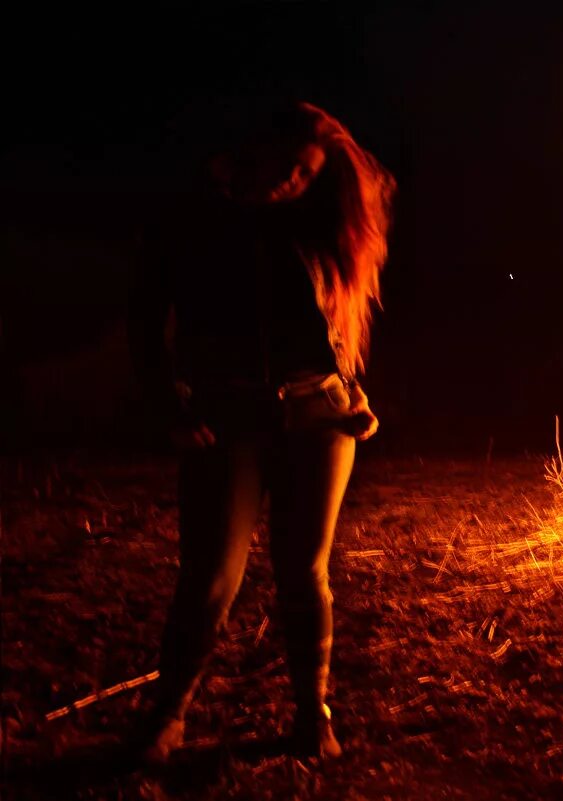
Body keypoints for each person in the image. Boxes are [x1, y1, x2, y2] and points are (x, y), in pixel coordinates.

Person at [128, 102, 394, 761]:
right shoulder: (195, 213)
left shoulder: (321, 220)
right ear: (258, 150)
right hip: (229, 416)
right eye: (289, 167)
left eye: (308, 174)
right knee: (212, 575)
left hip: (318, 418)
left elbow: (334, 323)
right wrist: (170, 405)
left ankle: (313, 715)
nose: (294, 183)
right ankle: (169, 714)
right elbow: (145, 318)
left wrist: (350, 393)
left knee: (305, 570)